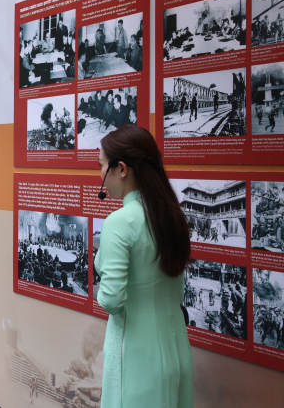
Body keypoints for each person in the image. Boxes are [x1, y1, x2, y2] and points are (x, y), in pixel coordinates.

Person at [95, 125, 194, 408]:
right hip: (177, 349)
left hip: (136, 358)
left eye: (101, 166)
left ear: (122, 169)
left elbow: (112, 300)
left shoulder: (119, 221)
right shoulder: (172, 216)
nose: (100, 174)